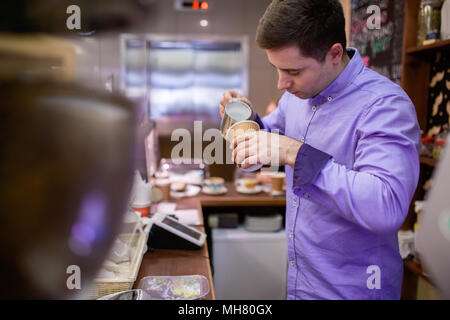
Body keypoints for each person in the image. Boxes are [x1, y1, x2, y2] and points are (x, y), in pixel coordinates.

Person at [219, 0, 420, 300]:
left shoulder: (385, 105)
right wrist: (244, 119)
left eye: (293, 71)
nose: (282, 83)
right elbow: (258, 153)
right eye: (276, 69)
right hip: (301, 284)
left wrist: (295, 153)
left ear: (334, 54)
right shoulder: (296, 96)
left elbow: (387, 206)